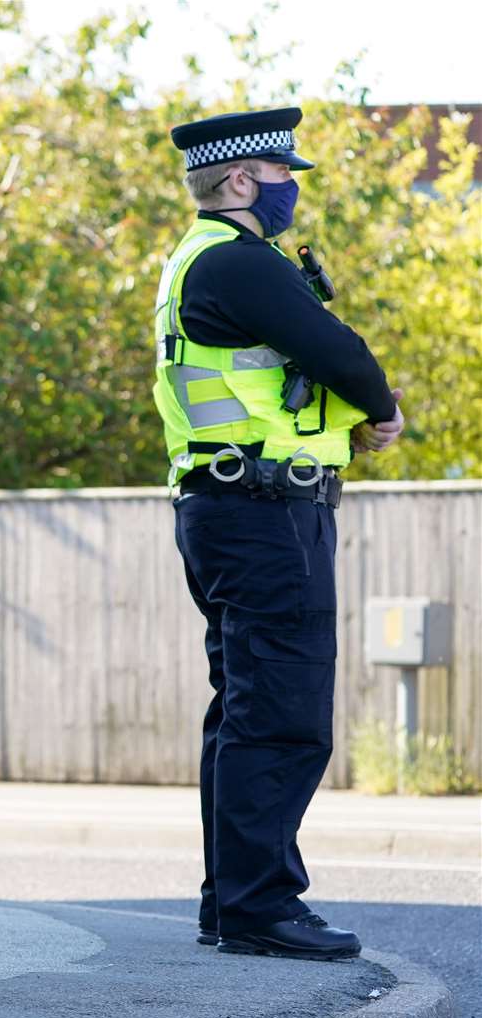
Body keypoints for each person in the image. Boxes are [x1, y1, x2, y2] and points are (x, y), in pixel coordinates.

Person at [153, 107, 405, 961]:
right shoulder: (238, 261)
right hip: (265, 515)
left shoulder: (196, 262)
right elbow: (338, 350)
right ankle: (261, 905)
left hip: (227, 507)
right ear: (238, 181)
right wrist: (381, 408)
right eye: (279, 172)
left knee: (244, 710)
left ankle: (232, 902)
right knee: (282, 712)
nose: (289, 186)